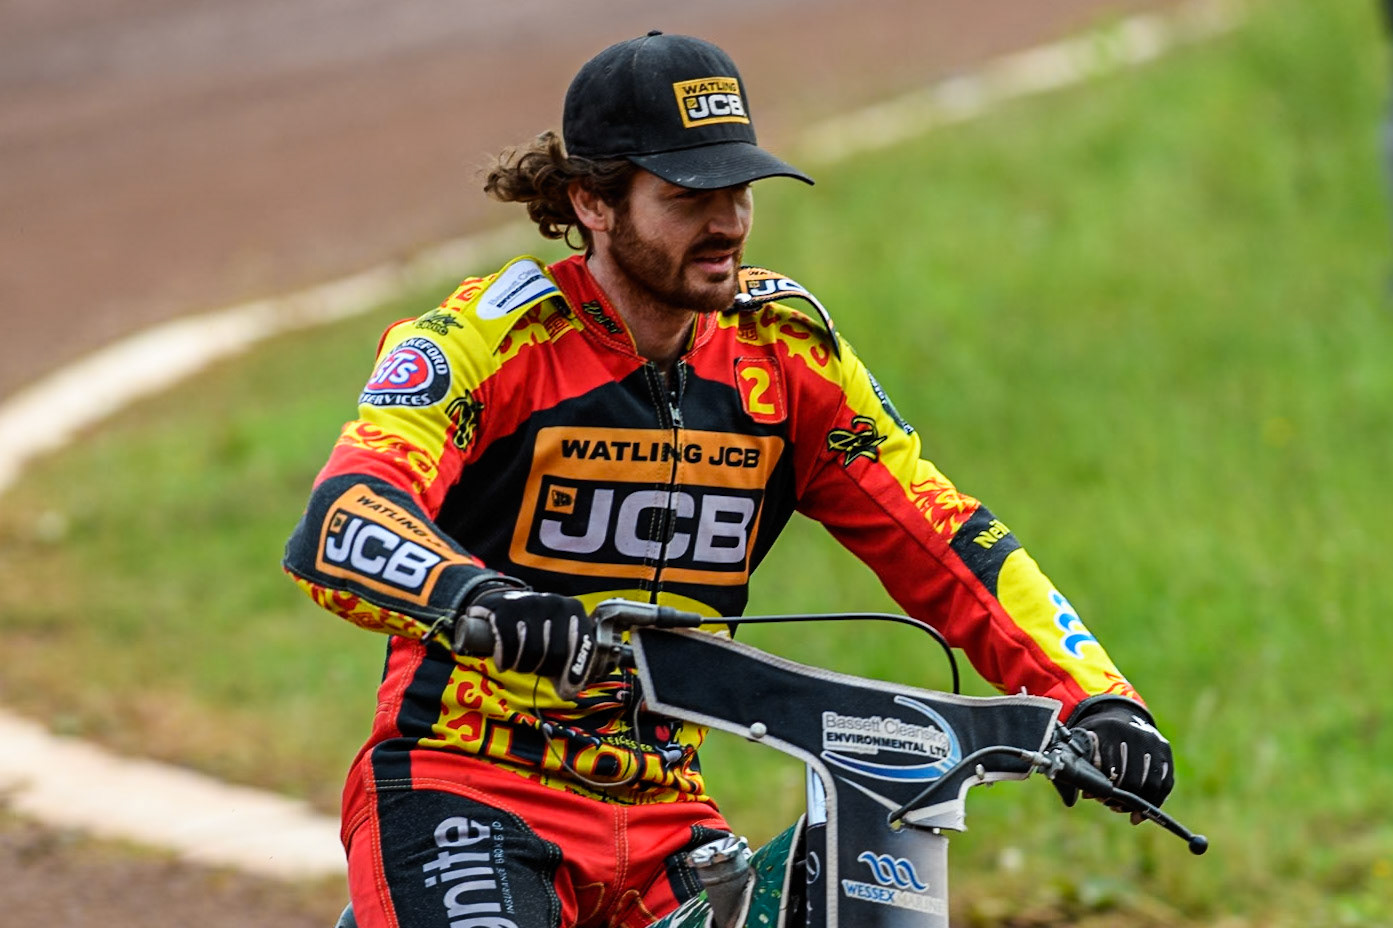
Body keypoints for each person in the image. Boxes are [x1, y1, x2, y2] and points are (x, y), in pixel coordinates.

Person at [283, 31, 1174, 928]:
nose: (729, 223)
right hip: (464, 790)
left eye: (738, 189)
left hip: (665, 814)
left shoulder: (785, 358)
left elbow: (944, 536)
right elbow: (339, 522)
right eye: (689, 197)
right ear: (592, 200)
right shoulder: (486, 343)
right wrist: (479, 599)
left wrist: (1095, 697)